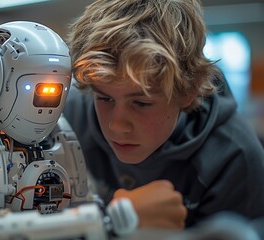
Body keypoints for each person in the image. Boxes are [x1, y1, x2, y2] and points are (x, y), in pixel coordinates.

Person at [63, 0, 264, 229]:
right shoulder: (69, 119)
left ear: (189, 91)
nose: (117, 125)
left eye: (141, 103)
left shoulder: (237, 159)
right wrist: (113, 224)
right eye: (104, 98)